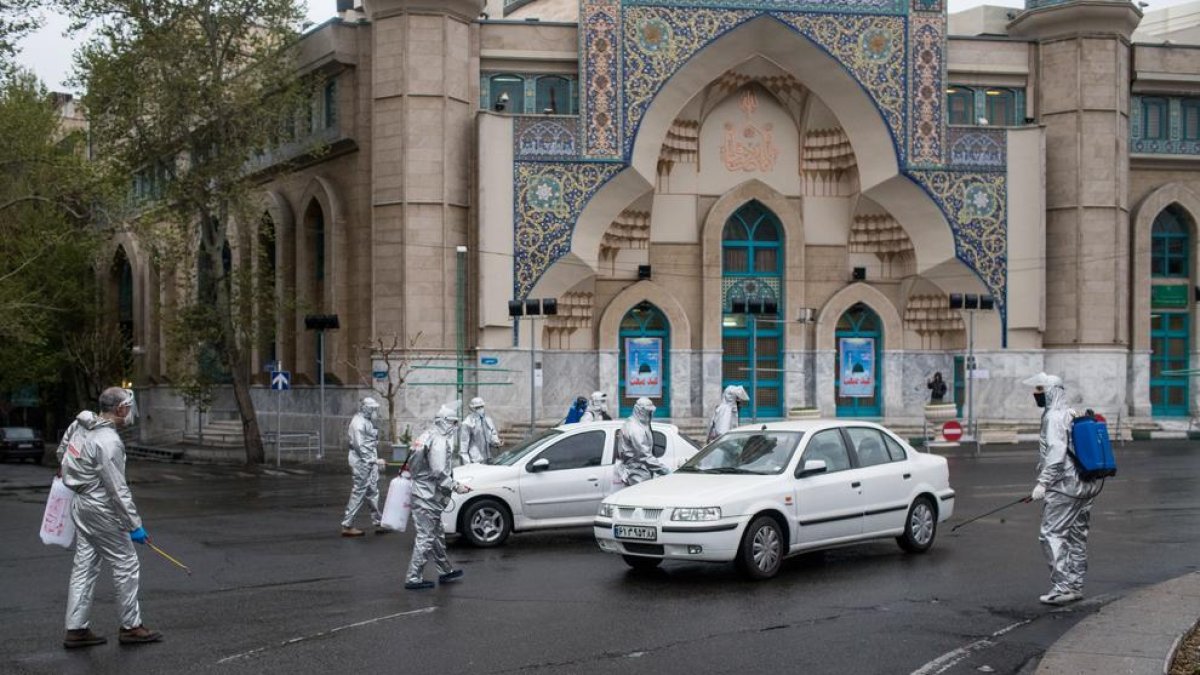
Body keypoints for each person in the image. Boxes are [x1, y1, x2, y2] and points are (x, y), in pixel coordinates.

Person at [60, 387, 161, 648]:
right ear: (120, 409)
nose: (130, 412)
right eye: (128, 407)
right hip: (100, 506)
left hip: (81, 503)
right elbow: (117, 489)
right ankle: (131, 626)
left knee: (84, 565)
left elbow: (62, 454)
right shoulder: (108, 441)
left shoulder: (80, 426)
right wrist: (134, 526)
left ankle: (76, 629)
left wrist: (79, 478)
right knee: (126, 563)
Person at [1023, 372, 1101, 606]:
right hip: (1086, 483)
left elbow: (1056, 455)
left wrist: (1043, 483)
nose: (1036, 394)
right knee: (1077, 536)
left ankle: (1062, 587)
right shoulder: (1071, 413)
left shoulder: (1053, 417)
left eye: (1039, 390)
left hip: (1065, 486)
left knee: (1051, 534)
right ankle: (1075, 584)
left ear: (1050, 393)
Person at [405, 402, 472, 590]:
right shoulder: (440, 441)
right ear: (443, 422)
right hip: (428, 495)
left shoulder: (425, 435)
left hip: (423, 492)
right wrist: (456, 486)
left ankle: (445, 570)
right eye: (452, 422)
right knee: (426, 536)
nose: (454, 427)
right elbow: (439, 470)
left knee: (436, 534)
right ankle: (413, 577)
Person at [341, 397, 387, 537]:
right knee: (359, 491)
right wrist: (374, 460)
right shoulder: (358, 423)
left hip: (368, 460)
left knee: (373, 490)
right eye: (373, 408)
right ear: (366, 408)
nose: (375, 411)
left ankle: (378, 522)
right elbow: (359, 446)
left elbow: (369, 443)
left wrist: (374, 460)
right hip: (361, 461)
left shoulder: (366, 421)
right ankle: (347, 525)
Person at [615, 397, 668, 486]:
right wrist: (663, 469)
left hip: (638, 471)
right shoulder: (635, 429)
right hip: (637, 473)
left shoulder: (636, 423)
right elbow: (644, 456)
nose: (650, 414)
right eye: (648, 412)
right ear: (639, 410)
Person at [459, 397, 501, 464]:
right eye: (477, 408)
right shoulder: (467, 423)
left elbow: (493, 433)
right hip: (475, 458)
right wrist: (467, 463)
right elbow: (464, 444)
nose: (480, 409)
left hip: (488, 456)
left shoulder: (488, 420)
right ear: (472, 409)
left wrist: (495, 441)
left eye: (481, 407)